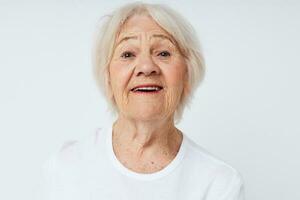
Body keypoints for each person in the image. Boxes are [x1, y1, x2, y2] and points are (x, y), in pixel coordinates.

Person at [42, 2, 245, 200]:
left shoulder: (219, 183)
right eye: (128, 54)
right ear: (108, 77)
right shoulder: (67, 167)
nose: (146, 67)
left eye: (163, 53)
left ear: (187, 73)